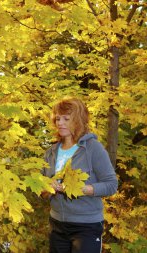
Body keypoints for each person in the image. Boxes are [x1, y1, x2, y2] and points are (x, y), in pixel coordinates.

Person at [41, 97, 118, 253]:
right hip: (57, 224)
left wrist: (81, 189)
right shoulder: (50, 152)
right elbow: (41, 190)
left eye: (66, 119)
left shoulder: (93, 148)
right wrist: (47, 189)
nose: (60, 123)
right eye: (57, 118)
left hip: (87, 226)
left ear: (78, 120)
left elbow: (111, 185)